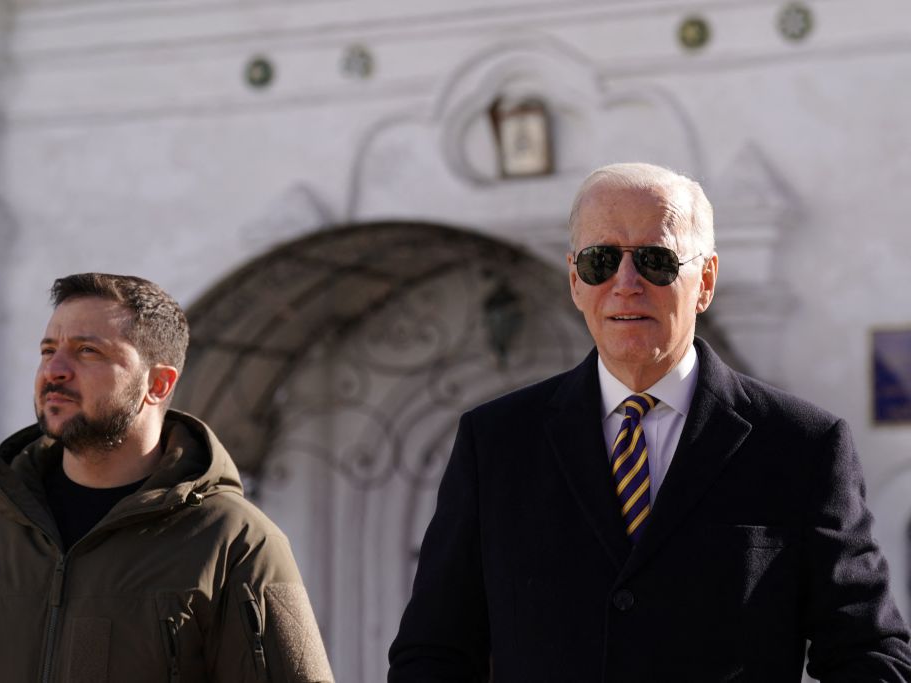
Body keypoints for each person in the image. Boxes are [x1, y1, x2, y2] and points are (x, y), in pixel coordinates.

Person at [388, 163, 911, 681]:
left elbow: (870, 653)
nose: (626, 283)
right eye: (601, 261)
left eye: (656, 261)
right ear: (575, 280)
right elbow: (434, 654)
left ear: (704, 280)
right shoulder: (495, 445)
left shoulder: (802, 446)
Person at [0, 273, 333, 683]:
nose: (54, 370)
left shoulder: (235, 542)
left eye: (88, 351)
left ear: (157, 385)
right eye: (48, 350)